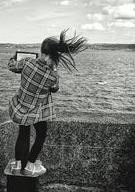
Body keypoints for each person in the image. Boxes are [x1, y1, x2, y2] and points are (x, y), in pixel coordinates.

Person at [7, 29, 87, 176]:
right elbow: (55, 88)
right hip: (38, 111)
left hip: (22, 107)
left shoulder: (26, 62)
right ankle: (31, 165)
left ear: (42, 51)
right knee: (41, 135)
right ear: (54, 54)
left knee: (23, 134)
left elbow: (12, 66)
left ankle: (18, 165)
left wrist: (13, 58)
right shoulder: (53, 75)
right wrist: (53, 69)